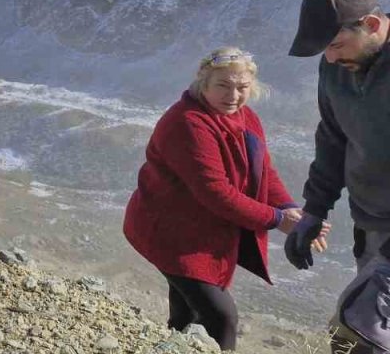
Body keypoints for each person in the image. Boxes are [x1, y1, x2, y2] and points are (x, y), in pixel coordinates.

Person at [123, 47, 327, 351]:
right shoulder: (189, 123)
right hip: (169, 233)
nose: (233, 95)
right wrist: (278, 220)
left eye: (242, 87)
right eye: (223, 85)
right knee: (221, 318)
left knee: (186, 316)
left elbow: (263, 171)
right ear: (203, 84)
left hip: (202, 234)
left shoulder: (246, 118)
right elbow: (215, 192)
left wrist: (289, 208)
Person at [286, 0, 390, 353]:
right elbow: (333, 137)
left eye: (334, 45)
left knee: (358, 334)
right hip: (373, 225)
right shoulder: (336, 67)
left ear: (373, 26)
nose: (328, 58)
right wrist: (315, 209)